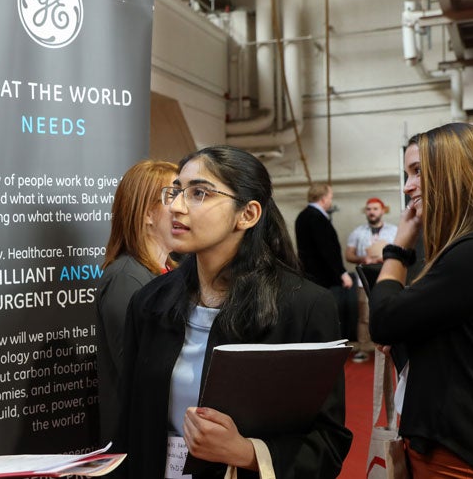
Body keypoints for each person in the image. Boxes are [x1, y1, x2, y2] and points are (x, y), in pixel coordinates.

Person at [115, 146, 352, 478]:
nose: (177, 207)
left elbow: (327, 443)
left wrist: (247, 452)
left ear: (248, 214)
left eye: (199, 193)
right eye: (176, 191)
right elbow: (129, 424)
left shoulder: (303, 307)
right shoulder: (150, 303)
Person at [369, 122, 473, 477]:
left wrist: (398, 247)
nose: (408, 186)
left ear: (453, 171)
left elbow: (383, 320)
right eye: (407, 173)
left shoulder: (471, 252)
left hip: (457, 448)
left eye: (418, 171)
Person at [95, 159, 182, 445]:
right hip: (136, 444)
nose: (184, 207)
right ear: (147, 214)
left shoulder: (170, 272)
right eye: (173, 196)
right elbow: (141, 374)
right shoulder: (125, 279)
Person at [295, 183, 354, 339]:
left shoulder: (302, 216)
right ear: (323, 198)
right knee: (325, 314)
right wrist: (342, 272)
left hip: (309, 275)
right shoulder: (317, 218)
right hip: (322, 277)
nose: (330, 200)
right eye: (330, 197)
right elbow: (327, 249)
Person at [345, 197, 397, 362]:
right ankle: (364, 348)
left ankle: (392, 347)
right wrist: (364, 258)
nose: (372, 212)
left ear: (382, 210)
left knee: (390, 311)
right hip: (364, 280)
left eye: (375, 209)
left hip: (388, 277)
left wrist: (386, 257)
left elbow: (403, 251)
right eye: (369, 209)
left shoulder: (394, 231)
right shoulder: (358, 232)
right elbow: (349, 255)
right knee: (365, 315)